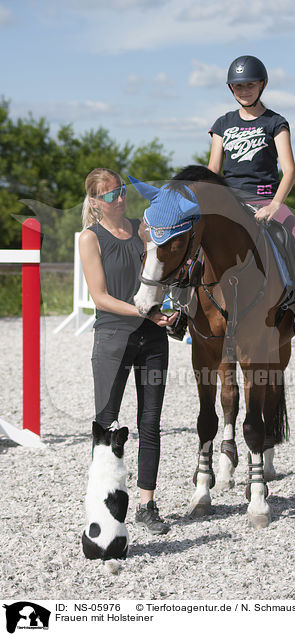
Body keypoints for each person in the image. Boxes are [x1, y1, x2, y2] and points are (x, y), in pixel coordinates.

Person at [79, 168, 177, 535]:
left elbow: (161, 274)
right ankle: (101, 506)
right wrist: (142, 311)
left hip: (152, 339)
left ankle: (147, 505)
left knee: (150, 423)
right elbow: (100, 297)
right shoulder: (90, 239)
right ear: (95, 202)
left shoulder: (143, 229)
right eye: (110, 195)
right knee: (106, 424)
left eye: (121, 191)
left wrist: (165, 307)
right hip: (112, 340)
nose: (120, 199)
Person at [208, 55, 295, 345]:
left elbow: (290, 169)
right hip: (230, 201)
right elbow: (213, 171)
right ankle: (181, 306)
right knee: (191, 236)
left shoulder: (276, 122)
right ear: (230, 88)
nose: (244, 90)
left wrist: (274, 205)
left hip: (265, 199)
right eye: (238, 86)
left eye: (249, 85)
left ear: (262, 85)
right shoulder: (222, 124)